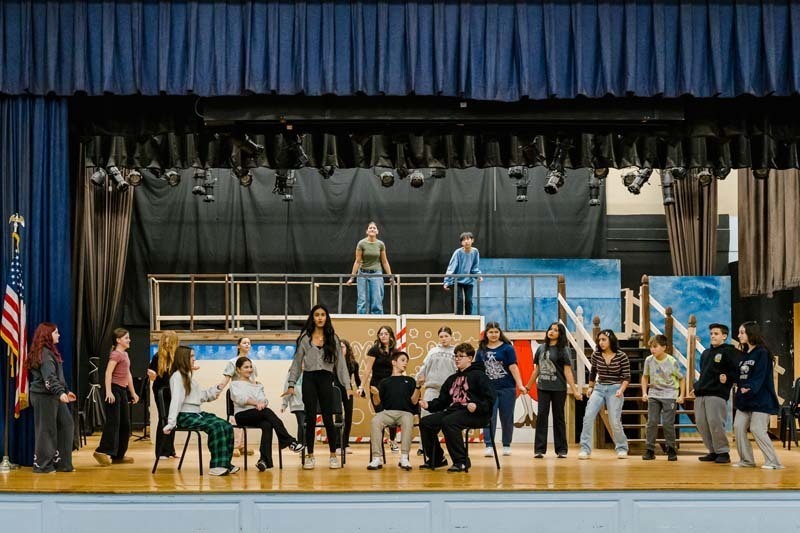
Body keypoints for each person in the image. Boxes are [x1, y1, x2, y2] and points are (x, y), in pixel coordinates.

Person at [284, 304, 351, 470]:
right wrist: (291, 384)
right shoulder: (305, 338)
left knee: (328, 417)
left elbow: (341, 365)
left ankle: (333, 455)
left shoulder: (333, 338)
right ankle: (310, 455)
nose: (320, 318)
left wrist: (347, 385)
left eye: (323, 315)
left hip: (326, 378)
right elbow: (297, 363)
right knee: (311, 418)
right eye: (317, 315)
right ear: (312, 318)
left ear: (327, 317)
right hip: (309, 378)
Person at [418, 343, 496, 472]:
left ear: (470, 358)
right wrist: (429, 405)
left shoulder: (479, 375)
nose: (457, 359)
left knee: (449, 422)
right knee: (426, 423)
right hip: (455, 411)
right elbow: (442, 401)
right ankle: (437, 458)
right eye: (456, 356)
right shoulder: (452, 379)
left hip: (477, 414)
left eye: (461, 356)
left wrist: (477, 406)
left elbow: (490, 398)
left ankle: (461, 461)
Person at [164, 346, 238, 476]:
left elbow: (200, 397)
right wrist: (171, 422)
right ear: (184, 358)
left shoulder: (188, 377)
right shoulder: (177, 377)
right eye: (192, 356)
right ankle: (217, 466)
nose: (194, 359)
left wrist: (217, 389)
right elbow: (176, 400)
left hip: (196, 414)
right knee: (216, 427)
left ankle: (225, 463)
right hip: (185, 415)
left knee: (226, 426)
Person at [229, 357, 304, 471]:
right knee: (267, 412)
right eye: (246, 367)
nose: (249, 369)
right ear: (238, 369)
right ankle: (289, 441)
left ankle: (264, 461)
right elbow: (239, 399)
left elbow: (263, 400)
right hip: (242, 415)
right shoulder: (235, 384)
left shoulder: (258, 385)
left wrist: (262, 403)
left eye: (250, 367)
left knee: (267, 424)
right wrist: (256, 403)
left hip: (258, 413)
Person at [525, 322, 582, 458]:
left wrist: (574, 390)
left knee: (559, 418)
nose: (552, 331)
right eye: (550, 329)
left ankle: (561, 450)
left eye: (556, 330)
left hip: (558, 389)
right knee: (542, 418)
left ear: (560, 334)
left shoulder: (564, 350)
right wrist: (527, 386)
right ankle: (539, 450)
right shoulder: (541, 348)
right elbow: (537, 370)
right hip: (543, 388)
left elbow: (568, 371)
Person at [733, 321, 782, 469]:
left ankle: (773, 462)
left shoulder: (762, 353)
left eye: (742, 332)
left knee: (756, 429)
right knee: (738, 426)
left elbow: (760, 375)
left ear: (750, 333)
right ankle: (747, 461)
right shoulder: (744, 354)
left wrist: (749, 387)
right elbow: (741, 375)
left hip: (761, 399)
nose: (739, 335)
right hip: (745, 400)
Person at [28, 322, 75, 473]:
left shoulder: (50, 352)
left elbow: (58, 376)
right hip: (44, 396)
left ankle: (62, 463)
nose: (59, 335)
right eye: (56, 333)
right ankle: (42, 465)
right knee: (46, 430)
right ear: (47, 335)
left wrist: (66, 391)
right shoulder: (45, 354)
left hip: (53, 395)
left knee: (66, 424)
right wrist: (60, 392)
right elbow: (49, 378)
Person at [578, 329, 630, 459]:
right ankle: (585, 449)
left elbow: (627, 377)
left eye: (603, 340)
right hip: (599, 388)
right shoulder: (596, 355)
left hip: (615, 388)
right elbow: (593, 372)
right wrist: (590, 387)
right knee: (588, 416)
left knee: (614, 420)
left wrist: (621, 390)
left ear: (610, 340)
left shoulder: (621, 356)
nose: (601, 343)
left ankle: (622, 447)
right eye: (599, 340)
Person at [476, 322, 526, 456]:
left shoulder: (507, 348)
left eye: (496, 332)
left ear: (500, 333)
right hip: (488, 390)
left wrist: (520, 385)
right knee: (489, 417)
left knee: (507, 417)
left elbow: (513, 367)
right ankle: (489, 445)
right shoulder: (481, 350)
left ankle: (506, 444)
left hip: (507, 388)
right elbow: (478, 370)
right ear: (486, 334)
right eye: (491, 332)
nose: (493, 335)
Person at [692, 323, 739, 464]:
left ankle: (723, 452)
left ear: (724, 336)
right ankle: (712, 451)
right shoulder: (706, 353)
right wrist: (697, 387)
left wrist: (728, 378)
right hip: (701, 393)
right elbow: (704, 373)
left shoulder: (729, 352)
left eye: (716, 333)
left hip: (717, 393)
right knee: (701, 423)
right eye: (711, 333)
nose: (713, 336)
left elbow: (737, 370)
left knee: (715, 423)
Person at [366, 351, 420, 471]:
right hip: (388, 412)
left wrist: (418, 387)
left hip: (405, 412)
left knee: (407, 420)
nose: (405, 363)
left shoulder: (410, 380)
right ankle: (376, 458)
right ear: (394, 362)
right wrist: (375, 394)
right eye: (402, 360)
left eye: (406, 361)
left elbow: (414, 402)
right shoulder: (385, 382)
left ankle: (404, 457)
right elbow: (377, 403)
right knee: (376, 420)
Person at [94, 327, 139, 466]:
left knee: (125, 424)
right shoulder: (116, 354)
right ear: (118, 340)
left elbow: (128, 375)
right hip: (114, 390)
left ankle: (118, 455)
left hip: (122, 390)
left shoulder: (125, 355)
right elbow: (108, 373)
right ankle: (102, 451)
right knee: (113, 422)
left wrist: (133, 392)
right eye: (126, 338)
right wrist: (108, 392)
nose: (129, 340)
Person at [641, 334, 685, 461]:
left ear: (664, 347)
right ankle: (649, 449)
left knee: (667, 423)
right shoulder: (649, 360)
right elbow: (645, 377)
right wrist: (644, 392)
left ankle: (671, 448)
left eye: (655, 346)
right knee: (652, 422)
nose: (652, 349)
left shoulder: (672, 362)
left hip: (669, 394)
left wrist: (681, 395)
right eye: (651, 347)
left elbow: (681, 378)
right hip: (654, 393)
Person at [362, 325, 400, 451]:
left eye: (385, 333)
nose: (383, 336)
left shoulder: (395, 351)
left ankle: (393, 440)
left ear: (390, 336)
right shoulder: (374, 350)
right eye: (381, 334)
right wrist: (361, 386)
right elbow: (367, 369)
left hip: (391, 386)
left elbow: (398, 369)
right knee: (380, 414)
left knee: (392, 413)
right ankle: (378, 446)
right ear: (378, 336)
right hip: (376, 386)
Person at [219, 337, 256, 457]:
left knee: (247, 417)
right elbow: (227, 378)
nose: (247, 345)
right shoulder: (232, 362)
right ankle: (233, 446)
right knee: (234, 419)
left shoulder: (252, 362)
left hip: (249, 394)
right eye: (244, 342)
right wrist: (218, 389)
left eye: (249, 343)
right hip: (236, 393)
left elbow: (253, 379)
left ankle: (242, 446)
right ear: (238, 346)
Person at [346, 221, 393, 314]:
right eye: (370, 228)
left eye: (374, 228)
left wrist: (390, 276)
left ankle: (377, 321)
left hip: (376, 274)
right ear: (367, 231)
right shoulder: (361, 243)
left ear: (377, 231)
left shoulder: (380, 244)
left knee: (377, 300)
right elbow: (357, 261)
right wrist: (352, 278)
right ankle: (361, 321)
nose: (372, 229)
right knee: (362, 301)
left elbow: (384, 261)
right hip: (363, 274)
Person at [147, 330, 179, 459]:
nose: (167, 344)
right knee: (163, 418)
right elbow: (152, 375)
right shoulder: (157, 357)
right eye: (165, 341)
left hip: (174, 391)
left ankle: (170, 450)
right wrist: (152, 375)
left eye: (169, 342)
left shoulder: (177, 357)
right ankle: (161, 451)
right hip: (161, 390)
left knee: (173, 419)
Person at [416, 326, 457, 417]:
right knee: (427, 418)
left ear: (451, 337)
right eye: (441, 336)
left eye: (446, 336)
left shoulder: (456, 352)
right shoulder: (433, 351)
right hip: (432, 390)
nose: (444, 339)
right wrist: (418, 381)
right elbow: (424, 366)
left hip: (450, 392)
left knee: (449, 421)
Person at [443, 232, 482, 315]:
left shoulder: (475, 252)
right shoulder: (458, 253)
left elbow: (475, 267)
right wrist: (447, 281)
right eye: (464, 240)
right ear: (461, 243)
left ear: (472, 240)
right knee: (459, 300)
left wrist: (478, 276)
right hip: (457, 281)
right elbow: (451, 267)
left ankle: (469, 319)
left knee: (469, 300)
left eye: (468, 239)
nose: (466, 241)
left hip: (468, 281)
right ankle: (459, 319)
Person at [336, 338, 362, 454]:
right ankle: (337, 445)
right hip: (336, 390)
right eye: (338, 347)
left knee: (348, 417)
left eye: (342, 347)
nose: (340, 349)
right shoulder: (333, 362)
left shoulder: (353, 363)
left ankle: (345, 443)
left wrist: (361, 389)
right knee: (338, 417)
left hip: (348, 391)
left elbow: (357, 379)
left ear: (347, 348)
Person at [281, 371, 305, 447]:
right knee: (301, 425)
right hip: (297, 404)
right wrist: (284, 404)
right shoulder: (292, 374)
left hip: (309, 405)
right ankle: (301, 445)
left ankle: (307, 446)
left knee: (308, 425)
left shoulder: (311, 372)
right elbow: (287, 389)